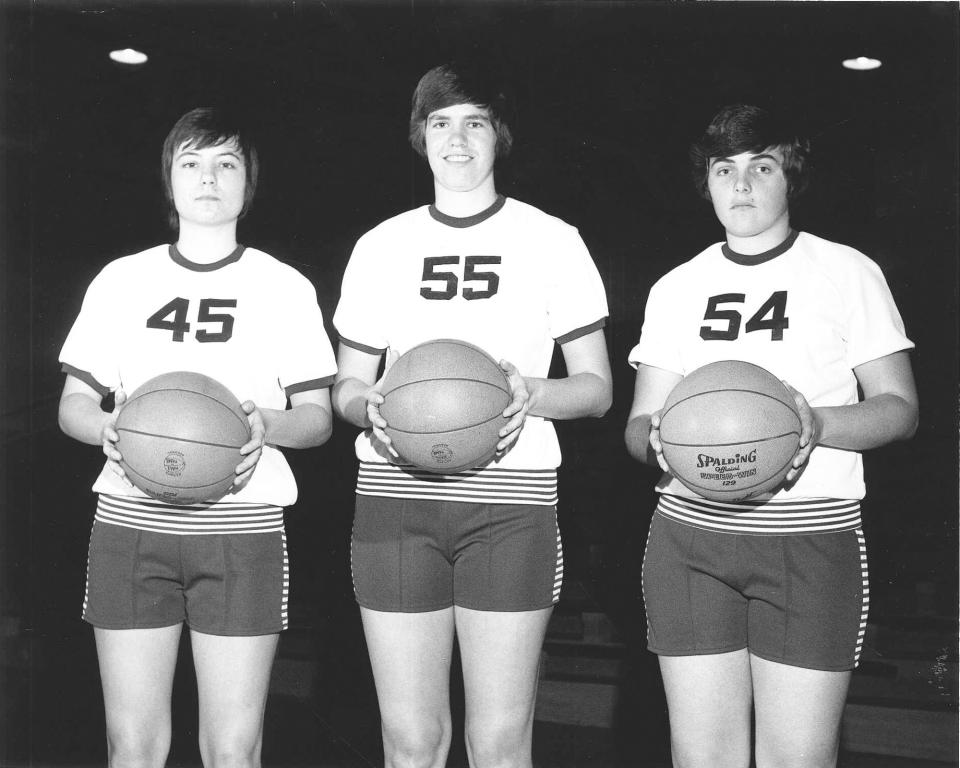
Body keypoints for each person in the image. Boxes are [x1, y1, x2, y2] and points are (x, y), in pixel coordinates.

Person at [332, 63, 612, 768]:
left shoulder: (553, 238)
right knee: (411, 740)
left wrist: (531, 396)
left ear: (500, 137)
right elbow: (346, 387)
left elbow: (597, 388)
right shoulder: (380, 245)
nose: (457, 139)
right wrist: (368, 406)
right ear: (420, 138)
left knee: (498, 741)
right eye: (440, 122)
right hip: (397, 501)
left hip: (511, 502)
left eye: (475, 122)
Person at [624, 104, 919, 768]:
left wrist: (814, 426)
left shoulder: (846, 272)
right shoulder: (677, 286)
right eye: (724, 169)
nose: (742, 184)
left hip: (809, 542)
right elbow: (639, 427)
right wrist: (661, 441)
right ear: (707, 182)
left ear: (792, 176)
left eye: (762, 166)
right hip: (688, 540)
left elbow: (898, 408)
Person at [57, 107, 336, 768]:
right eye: (191, 163)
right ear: (170, 181)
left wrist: (269, 426)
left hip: (242, 529)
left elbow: (319, 417)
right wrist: (106, 427)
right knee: (132, 745)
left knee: (233, 750)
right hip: (130, 524)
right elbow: (72, 404)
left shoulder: (285, 286)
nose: (208, 178)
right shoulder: (121, 279)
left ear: (248, 184)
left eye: (226, 164)